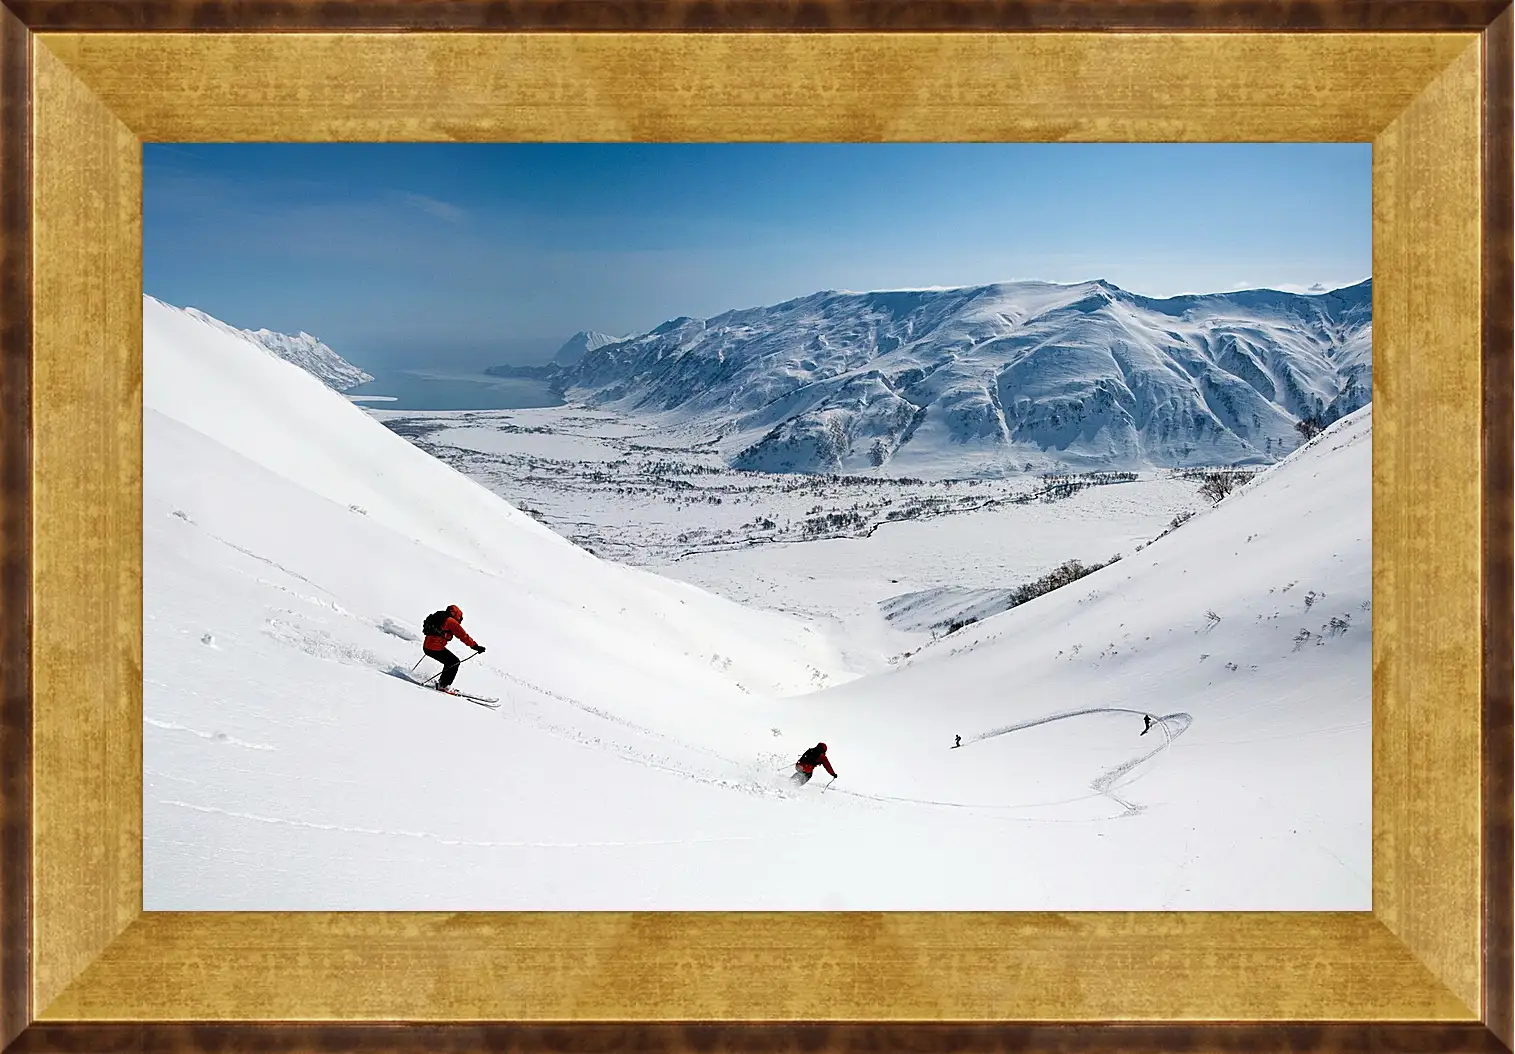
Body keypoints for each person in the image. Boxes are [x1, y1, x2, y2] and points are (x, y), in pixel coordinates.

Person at [422, 604, 485, 694]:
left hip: (428, 646)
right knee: (454, 662)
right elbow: (463, 635)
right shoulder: (451, 621)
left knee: (450, 662)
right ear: (457, 616)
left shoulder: (440, 616)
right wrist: (475, 646)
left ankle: (442, 683)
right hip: (434, 647)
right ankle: (444, 686)